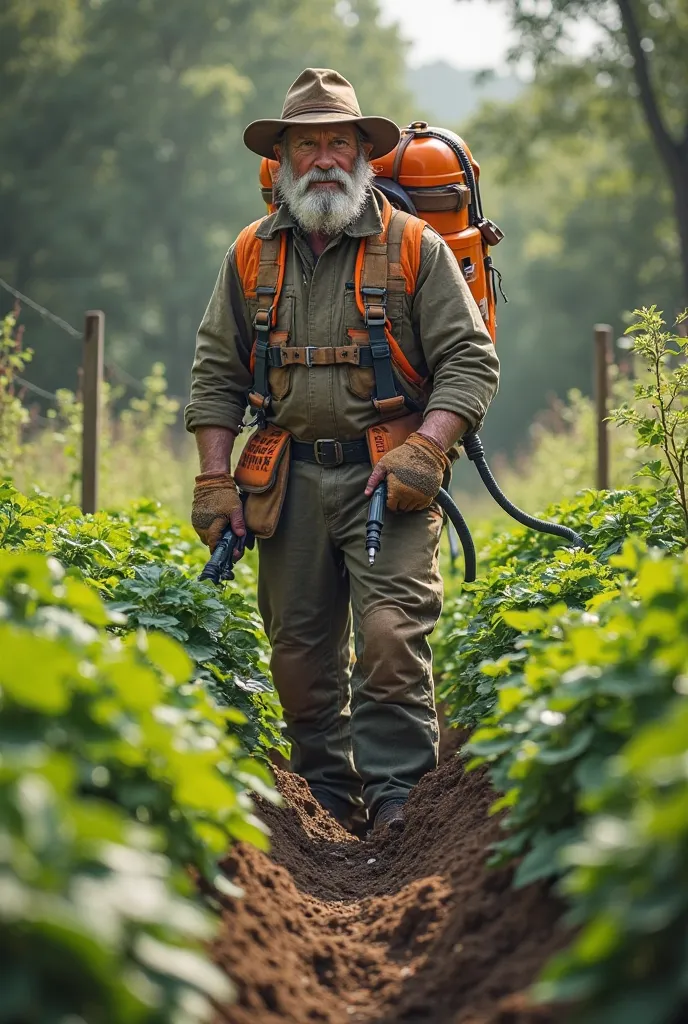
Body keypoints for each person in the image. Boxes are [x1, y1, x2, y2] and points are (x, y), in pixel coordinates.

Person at [185, 68, 499, 836]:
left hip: (387, 479)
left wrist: (426, 450)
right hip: (286, 481)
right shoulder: (251, 254)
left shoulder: (415, 248)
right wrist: (214, 481)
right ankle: (323, 797)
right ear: (283, 160)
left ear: (361, 152)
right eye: (305, 144)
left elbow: (470, 360)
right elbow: (215, 373)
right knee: (296, 654)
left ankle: (396, 796)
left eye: (337, 142)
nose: (322, 158)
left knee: (391, 637)